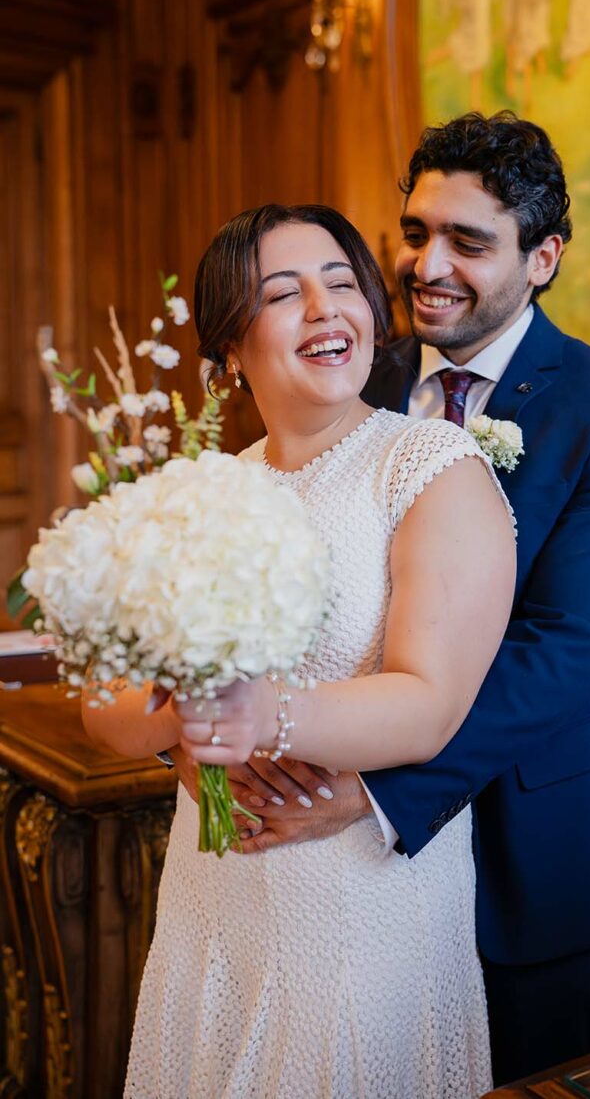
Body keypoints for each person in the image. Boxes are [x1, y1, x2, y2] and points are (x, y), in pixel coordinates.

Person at [201, 111, 590, 1086]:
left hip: (529, 842)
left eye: (469, 240)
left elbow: (565, 647)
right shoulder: (352, 370)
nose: (428, 263)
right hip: (346, 876)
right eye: (416, 233)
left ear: (542, 257)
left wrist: (376, 789)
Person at [83, 203, 517, 1097]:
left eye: (343, 284)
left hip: (363, 900)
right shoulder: (201, 490)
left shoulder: (427, 464)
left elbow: (429, 704)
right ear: (231, 351)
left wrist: (259, 719)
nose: (326, 309)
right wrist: (176, 728)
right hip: (217, 885)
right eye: (284, 294)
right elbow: (110, 704)